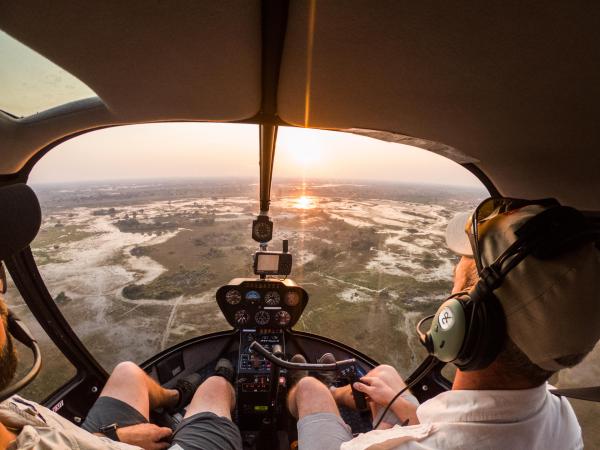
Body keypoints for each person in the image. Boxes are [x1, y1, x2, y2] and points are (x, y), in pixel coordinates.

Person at [287, 202, 600, 449]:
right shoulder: (561, 415)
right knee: (385, 375)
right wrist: (412, 410)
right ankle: (332, 389)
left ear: (459, 322)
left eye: (456, 283)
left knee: (308, 390)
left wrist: (384, 432)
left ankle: (304, 387)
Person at [0, 269, 242, 450]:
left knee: (127, 371)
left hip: (92, 442)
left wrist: (115, 437)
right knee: (215, 387)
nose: (4, 306)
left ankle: (176, 397)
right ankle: (222, 379)